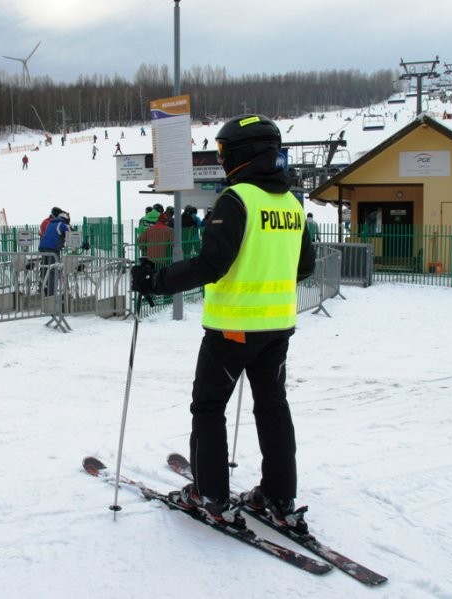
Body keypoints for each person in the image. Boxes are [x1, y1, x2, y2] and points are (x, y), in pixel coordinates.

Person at [130, 114, 315, 530]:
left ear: (242, 154)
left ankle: (210, 494)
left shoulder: (237, 199)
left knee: (209, 407)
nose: (221, 159)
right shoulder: (291, 204)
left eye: (223, 152)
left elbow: (211, 264)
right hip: (277, 328)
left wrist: (155, 281)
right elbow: (305, 267)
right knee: (272, 407)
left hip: (233, 327)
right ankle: (279, 495)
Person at [38, 211, 72, 295]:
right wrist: (84, 244)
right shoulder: (62, 225)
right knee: (53, 270)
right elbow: (73, 236)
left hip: (42, 247)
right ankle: (51, 294)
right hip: (52, 249)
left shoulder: (50, 224)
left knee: (44, 268)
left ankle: (42, 290)